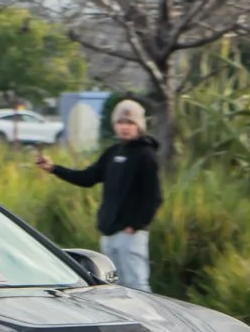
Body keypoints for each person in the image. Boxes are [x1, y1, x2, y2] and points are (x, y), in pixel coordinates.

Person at [35, 99, 162, 290]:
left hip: (130, 235)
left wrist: (135, 225)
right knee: (112, 287)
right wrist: (54, 169)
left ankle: (150, 320)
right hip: (108, 232)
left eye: (130, 123)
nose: (124, 127)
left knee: (136, 285)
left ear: (139, 126)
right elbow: (88, 177)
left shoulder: (146, 155)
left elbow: (154, 197)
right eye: (120, 122)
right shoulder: (113, 152)